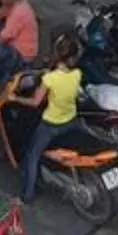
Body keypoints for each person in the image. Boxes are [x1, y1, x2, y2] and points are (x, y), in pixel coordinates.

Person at [20, 43, 83, 201]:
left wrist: (15, 98)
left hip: (51, 125)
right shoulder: (77, 74)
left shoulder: (49, 79)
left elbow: (35, 102)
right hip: (71, 119)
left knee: (32, 155)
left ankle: (28, 195)